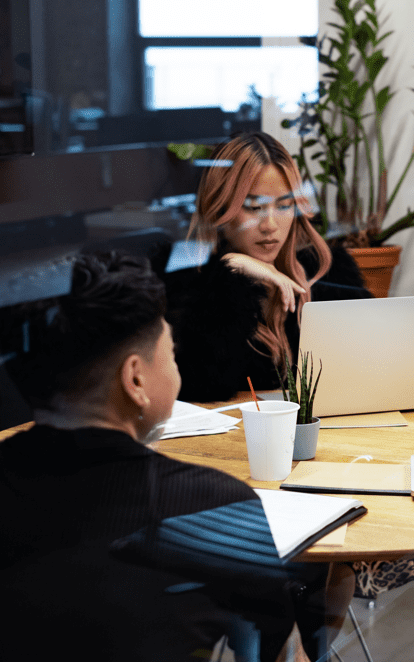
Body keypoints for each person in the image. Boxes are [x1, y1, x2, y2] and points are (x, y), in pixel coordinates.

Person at [0, 251, 350, 662]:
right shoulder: (213, 507)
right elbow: (276, 652)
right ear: (135, 379)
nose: (177, 370)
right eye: (170, 354)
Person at [163, 131, 370, 403]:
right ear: (219, 209)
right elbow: (202, 388)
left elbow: (366, 373)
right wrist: (230, 272)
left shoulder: (323, 273)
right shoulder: (191, 285)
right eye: (254, 207)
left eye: (284, 206)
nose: (270, 225)